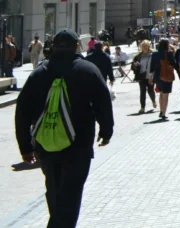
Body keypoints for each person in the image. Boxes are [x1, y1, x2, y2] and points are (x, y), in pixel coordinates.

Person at [14, 29, 113, 228]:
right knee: (72, 191)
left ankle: (58, 221)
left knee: (53, 188)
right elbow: (103, 102)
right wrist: (106, 131)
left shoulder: (39, 73)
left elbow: (22, 111)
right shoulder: (88, 70)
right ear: (77, 45)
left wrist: (25, 146)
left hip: (46, 144)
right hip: (79, 144)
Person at [150, 39, 178, 120]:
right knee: (165, 94)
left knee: (161, 93)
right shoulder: (169, 53)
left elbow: (151, 66)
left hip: (157, 76)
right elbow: (174, 63)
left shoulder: (154, 54)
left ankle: (161, 110)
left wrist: (150, 77)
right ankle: (163, 113)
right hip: (166, 76)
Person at [133, 40, 157, 113]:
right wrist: (135, 65)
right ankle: (142, 107)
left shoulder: (153, 54)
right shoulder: (138, 56)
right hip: (141, 75)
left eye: (145, 46)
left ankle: (153, 101)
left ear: (148, 46)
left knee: (150, 90)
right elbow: (133, 66)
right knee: (142, 92)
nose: (144, 48)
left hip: (150, 75)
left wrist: (153, 76)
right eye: (142, 46)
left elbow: (155, 65)